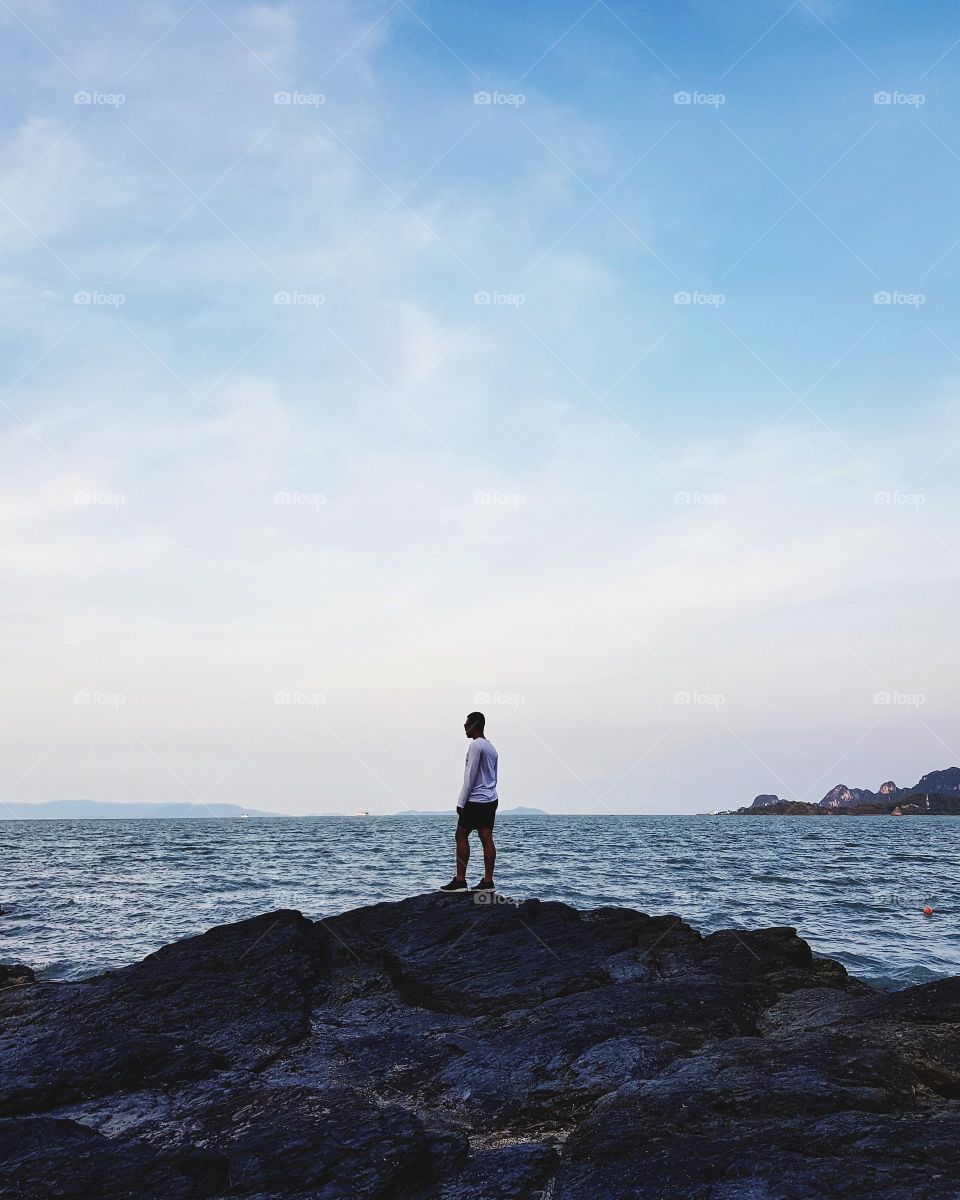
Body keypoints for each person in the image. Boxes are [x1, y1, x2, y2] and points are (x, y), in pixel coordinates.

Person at [439, 711, 498, 892]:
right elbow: (492, 775)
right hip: (490, 799)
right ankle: (488, 882)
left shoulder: (475, 746)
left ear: (476, 724)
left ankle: (460, 880)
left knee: (461, 835)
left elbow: (470, 775)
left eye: (467, 723)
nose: (464, 727)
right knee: (486, 838)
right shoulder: (491, 748)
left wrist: (461, 802)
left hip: (475, 800)